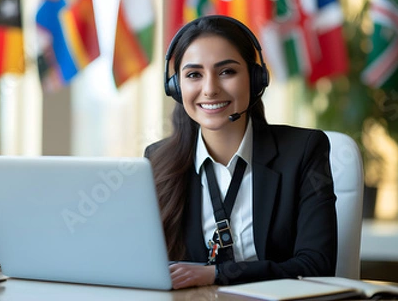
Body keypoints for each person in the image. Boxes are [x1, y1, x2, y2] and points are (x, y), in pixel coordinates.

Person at [144, 15, 337, 289]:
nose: (210, 89)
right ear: (176, 87)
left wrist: (217, 274)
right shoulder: (157, 160)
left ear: (256, 79)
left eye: (227, 72)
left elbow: (317, 266)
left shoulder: (304, 151)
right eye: (193, 75)